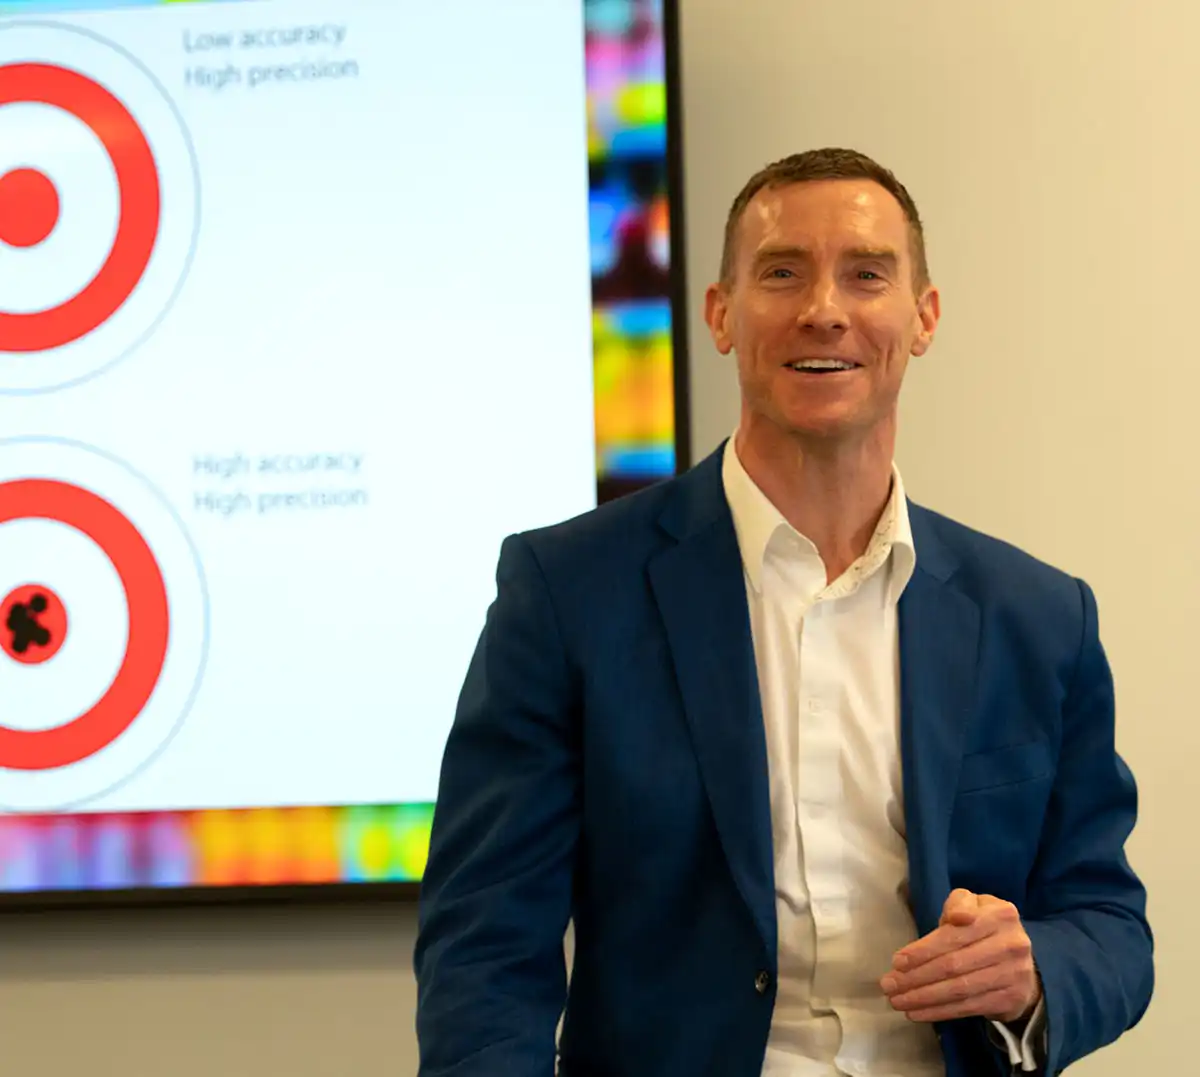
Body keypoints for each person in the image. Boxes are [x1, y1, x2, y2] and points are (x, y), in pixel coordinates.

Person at [413, 148, 1154, 1076]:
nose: (825, 309)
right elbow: (485, 942)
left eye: (867, 274)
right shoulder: (566, 592)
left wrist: (1034, 970)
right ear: (722, 314)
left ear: (923, 318)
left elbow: (1111, 925)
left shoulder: (1041, 618)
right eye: (782, 272)